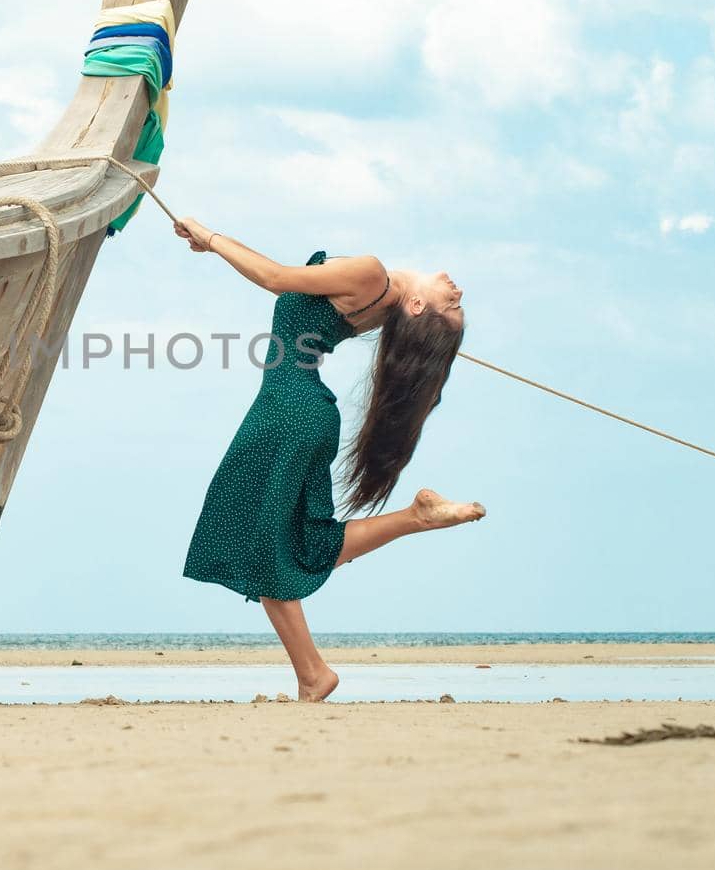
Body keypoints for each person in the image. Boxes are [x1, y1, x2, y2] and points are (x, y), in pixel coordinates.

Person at [173, 217, 486, 702]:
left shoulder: (371, 275)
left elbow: (276, 278)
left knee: (270, 546)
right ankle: (411, 520)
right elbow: (281, 278)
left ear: (419, 305)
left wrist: (211, 238)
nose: (458, 289)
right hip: (299, 409)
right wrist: (212, 240)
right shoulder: (385, 302)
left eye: (453, 302)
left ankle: (314, 673)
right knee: (282, 543)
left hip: (289, 410)